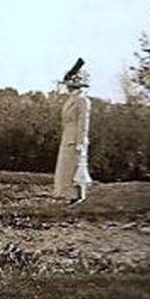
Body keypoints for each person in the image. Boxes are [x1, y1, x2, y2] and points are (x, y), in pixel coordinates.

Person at [54, 58, 92, 204]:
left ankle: (78, 196)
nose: (68, 87)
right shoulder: (71, 99)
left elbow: (84, 124)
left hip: (76, 138)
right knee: (67, 169)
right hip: (68, 136)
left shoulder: (82, 100)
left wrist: (81, 143)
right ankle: (69, 195)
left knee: (77, 168)